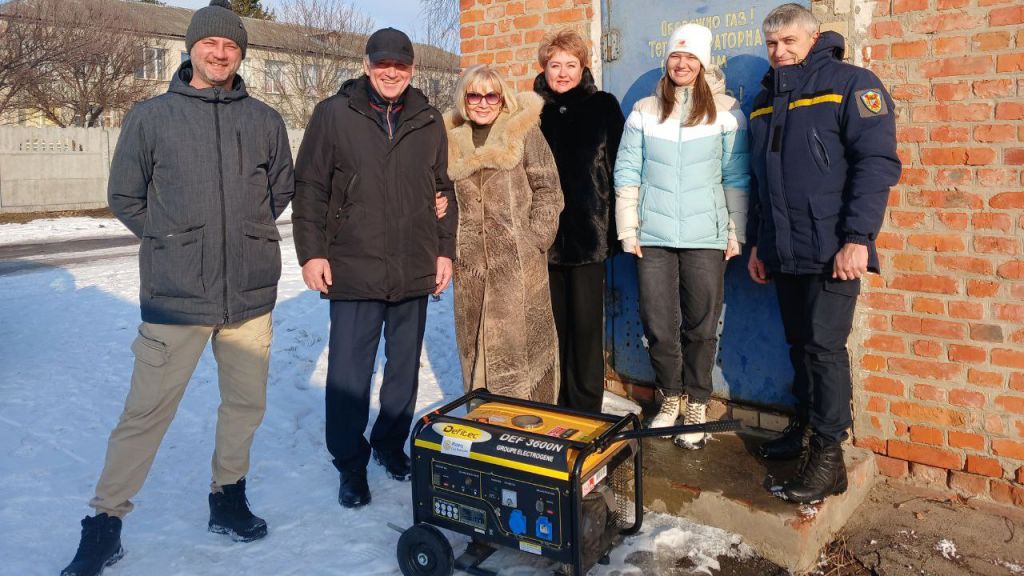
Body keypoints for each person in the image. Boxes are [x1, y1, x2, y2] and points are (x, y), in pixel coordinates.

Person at [60, 2, 294, 574]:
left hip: (248, 296)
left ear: (242, 54)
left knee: (244, 405)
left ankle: (227, 496)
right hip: (174, 296)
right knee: (145, 413)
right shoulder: (151, 116)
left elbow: (280, 189)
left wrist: (247, 234)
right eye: (211, 43)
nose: (220, 53)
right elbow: (125, 195)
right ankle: (105, 521)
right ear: (191, 48)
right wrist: (167, 239)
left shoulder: (264, 119)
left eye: (232, 46)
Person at [292, 27, 457, 509]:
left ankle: (389, 443)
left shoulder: (428, 120)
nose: (391, 72)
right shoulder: (334, 114)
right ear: (367, 66)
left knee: (403, 371)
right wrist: (312, 253)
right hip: (353, 264)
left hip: (412, 265)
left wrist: (444, 251)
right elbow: (311, 189)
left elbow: (443, 190)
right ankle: (350, 463)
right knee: (349, 373)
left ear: (411, 70)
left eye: (400, 65)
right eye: (382, 63)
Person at [747, 4, 900, 503]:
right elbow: (760, 180)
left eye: (789, 41)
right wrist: (759, 243)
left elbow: (876, 162)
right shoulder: (766, 99)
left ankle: (829, 457)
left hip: (834, 246)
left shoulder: (853, 83)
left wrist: (859, 238)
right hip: (784, 248)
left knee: (824, 348)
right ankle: (807, 428)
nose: (780, 51)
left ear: (813, 39)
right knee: (798, 343)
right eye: (772, 44)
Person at [614, 23, 749, 450]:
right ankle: (669, 398)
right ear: (667, 59)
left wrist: (735, 231)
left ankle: (697, 403)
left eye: (691, 57)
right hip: (652, 237)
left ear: (703, 63)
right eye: (676, 56)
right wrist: (627, 228)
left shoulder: (726, 112)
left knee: (702, 325)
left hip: (705, 236)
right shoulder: (644, 111)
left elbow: (737, 175)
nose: (683, 63)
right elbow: (626, 171)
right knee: (658, 323)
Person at [445, 65, 564, 403]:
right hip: (470, 268)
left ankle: (530, 428)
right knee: (476, 351)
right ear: (463, 99)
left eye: (490, 95)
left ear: (502, 99)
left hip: (518, 269)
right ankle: (486, 426)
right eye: (474, 95)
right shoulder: (451, 140)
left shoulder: (523, 132)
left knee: (522, 354)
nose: (482, 103)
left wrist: (535, 239)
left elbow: (548, 188)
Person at [533, 30, 625, 414]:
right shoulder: (531, 111)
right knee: (552, 327)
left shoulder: (602, 106)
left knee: (587, 329)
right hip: (545, 237)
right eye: (556, 65)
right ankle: (554, 401)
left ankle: (585, 408)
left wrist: (618, 228)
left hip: (589, 235)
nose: (563, 72)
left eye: (571, 64)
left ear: (583, 66)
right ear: (544, 68)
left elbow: (621, 166)